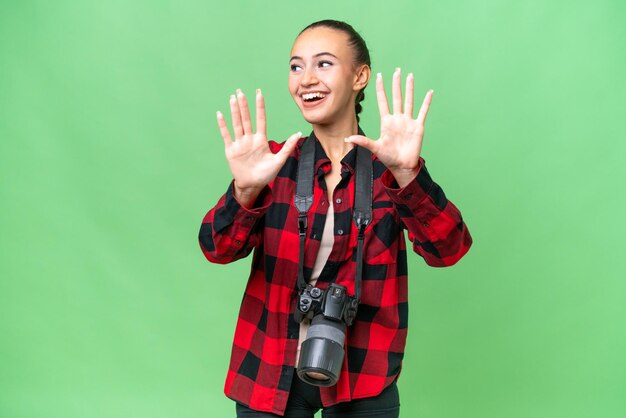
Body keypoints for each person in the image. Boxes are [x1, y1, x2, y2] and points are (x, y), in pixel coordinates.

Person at [198, 19, 472, 418]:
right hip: (271, 371)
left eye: (323, 64)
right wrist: (244, 191)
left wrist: (408, 175)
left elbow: (449, 249)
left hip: (363, 374)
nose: (305, 78)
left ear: (360, 76)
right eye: (295, 66)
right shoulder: (275, 163)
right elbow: (216, 249)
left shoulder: (388, 171)